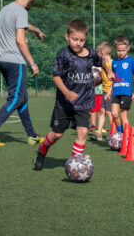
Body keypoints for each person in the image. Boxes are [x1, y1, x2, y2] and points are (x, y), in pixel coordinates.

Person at [34, 19, 114, 170]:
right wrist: (66, 92)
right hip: (64, 103)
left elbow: (101, 61)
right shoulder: (63, 55)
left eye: (82, 40)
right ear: (67, 37)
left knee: (83, 132)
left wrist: (108, 71)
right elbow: (56, 76)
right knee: (57, 135)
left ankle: (74, 164)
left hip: (84, 102)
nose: (78, 43)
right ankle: (43, 149)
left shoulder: (91, 54)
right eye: (74, 39)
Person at [0, 0, 46, 147]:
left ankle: (31, 135)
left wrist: (36, 30)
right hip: (15, 61)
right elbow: (19, 39)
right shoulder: (21, 11)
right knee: (16, 97)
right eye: (33, 0)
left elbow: (23, 25)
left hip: (2, 60)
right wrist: (32, 63)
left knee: (22, 98)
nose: (33, 3)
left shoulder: (6, 9)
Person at [111, 35, 134, 134]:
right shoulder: (114, 62)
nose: (121, 53)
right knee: (114, 114)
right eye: (119, 50)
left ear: (128, 49)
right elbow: (113, 78)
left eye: (123, 50)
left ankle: (127, 138)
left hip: (126, 92)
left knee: (123, 116)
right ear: (116, 49)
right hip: (116, 92)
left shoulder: (131, 61)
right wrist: (109, 92)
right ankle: (121, 133)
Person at [90, 42, 114, 141]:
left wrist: (109, 92)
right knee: (102, 112)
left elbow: (114, 79)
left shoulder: (112, 63)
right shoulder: (102, 65)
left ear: (103, 53)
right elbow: (101, 79)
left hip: (111, 92)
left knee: (109, 113)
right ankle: (99, 133)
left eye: (98, 54)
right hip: (104, 91)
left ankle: (115, 133)